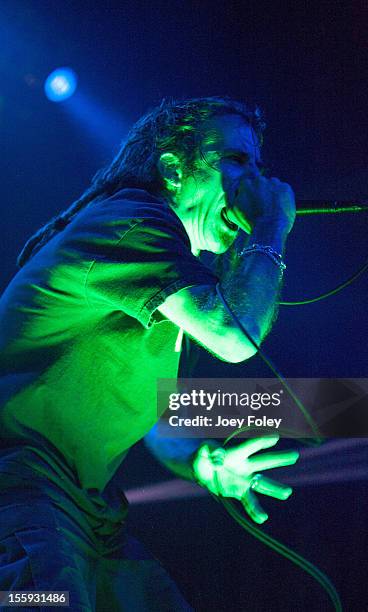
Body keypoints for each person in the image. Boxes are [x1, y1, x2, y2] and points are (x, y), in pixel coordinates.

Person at [0, 97, 299, 611]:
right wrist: (271, 229)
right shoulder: (129, 222)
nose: (256, 182)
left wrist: (203, 461)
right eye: (236, 160)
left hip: (83, 506)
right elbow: (234, 337)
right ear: (173, 169)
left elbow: (153, 415)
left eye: (258, 165)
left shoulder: (174, 281)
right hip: (20, 491)